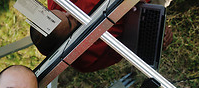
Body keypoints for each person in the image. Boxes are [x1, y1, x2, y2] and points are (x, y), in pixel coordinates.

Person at [30, 0, 173, 73]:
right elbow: (132, 43)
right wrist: (157, 32)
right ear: (66, 44)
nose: (69, 12)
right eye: (69, 21)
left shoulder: (57, 4)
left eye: (59, 12)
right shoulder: (86, 59)